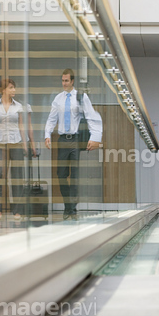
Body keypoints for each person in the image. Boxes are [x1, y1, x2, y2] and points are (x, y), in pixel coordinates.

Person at [44, 69, 102, 220]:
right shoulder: (58, 99)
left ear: (72, 81)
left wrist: (95, 137)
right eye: (62, 81)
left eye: (66, 81)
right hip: (62, 140)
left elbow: (91, 117)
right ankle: (67, 206)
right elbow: (51, 118)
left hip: (75, 139)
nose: (64, 84)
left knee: (75, 176)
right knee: (61, 175)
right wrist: (47, 135)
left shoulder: (81, 97)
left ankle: (72, 209)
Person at [0, 79, 36, 221]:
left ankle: (17, 210)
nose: (14, 90)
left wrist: (27, 145)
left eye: (14, 88)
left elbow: (22, 126)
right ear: (3, 90)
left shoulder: (20, 107)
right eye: (11, 88)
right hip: (0, 144)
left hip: (16, 144)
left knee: (17, 176)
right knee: (0, 175)